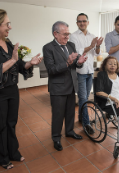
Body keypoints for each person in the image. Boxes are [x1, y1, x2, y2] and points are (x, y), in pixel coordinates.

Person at [0, 9, 43, 169]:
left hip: (10, 88)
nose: (10, 27)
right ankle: (3, 157)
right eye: (7, 24)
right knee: (0, 125)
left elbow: (17, 65)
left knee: (11, 123)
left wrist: (29, 63)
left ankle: (13, 152)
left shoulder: (8, 42)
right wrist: (12, 60)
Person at [43, 21, 88, 151]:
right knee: (58, 114)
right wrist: (68, 62)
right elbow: (51, 69)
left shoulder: (71, 45)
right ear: (55, 34)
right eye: (65, 34)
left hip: (71, 84)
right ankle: (56, 138)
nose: (67, 37)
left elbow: (75, 65)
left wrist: (79, 63)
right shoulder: (48, 48)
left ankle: (69, 131)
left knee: (70, 112)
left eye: (68, 34)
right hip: (57, 87)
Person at [69, 13, 103, 134]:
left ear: (88, 22)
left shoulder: (92, 36)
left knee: (86, 97)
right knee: (83, 98)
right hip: (80, 71)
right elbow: (76, 53)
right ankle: (86, 123)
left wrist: (97, 46)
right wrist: (90, 46)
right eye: (79, 21)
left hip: (90, 71)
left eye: (84, 21)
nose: (82, 23)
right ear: (77, 23)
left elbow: (96, 53)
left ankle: (81, 117)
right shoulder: (73, 36)